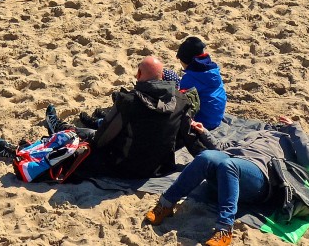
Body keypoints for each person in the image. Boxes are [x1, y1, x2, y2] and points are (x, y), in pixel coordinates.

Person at [143, 120, 309, 246]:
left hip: (260, 177)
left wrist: (294, 128)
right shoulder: (258, 133)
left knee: (229, 165)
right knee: (205, 156)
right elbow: (224, 148)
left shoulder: (289, 141)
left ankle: (224, 228)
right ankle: (166, 205)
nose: (277, 125)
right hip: (230, 163)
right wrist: (204, 132)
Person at [37, 56, 199, 180]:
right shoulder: (181, 100)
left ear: (139, 74)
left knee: (87, 135)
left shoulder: (129, 101)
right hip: (161, 167)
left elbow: (101, 139)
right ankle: (61, 128)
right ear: (162, 76)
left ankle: (58, 128)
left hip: (126, 167)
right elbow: (189, 137)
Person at [175, 36, 227, 130]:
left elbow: (181, 102)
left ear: (186, 60)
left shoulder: (190, 78)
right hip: (216, 118)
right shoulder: (213, 71)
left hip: (202, 123)